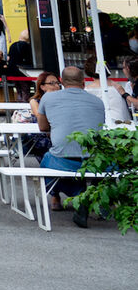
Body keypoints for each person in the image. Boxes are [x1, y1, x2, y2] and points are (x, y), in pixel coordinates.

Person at [36, 67, 107, 226]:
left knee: (45, 161)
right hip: (95, 161)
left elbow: (42, 127)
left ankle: (78, 194)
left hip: (63, 160)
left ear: (61, 81)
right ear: (83, 82)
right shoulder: (98, 101)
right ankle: (87, 196)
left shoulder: (48, 98)